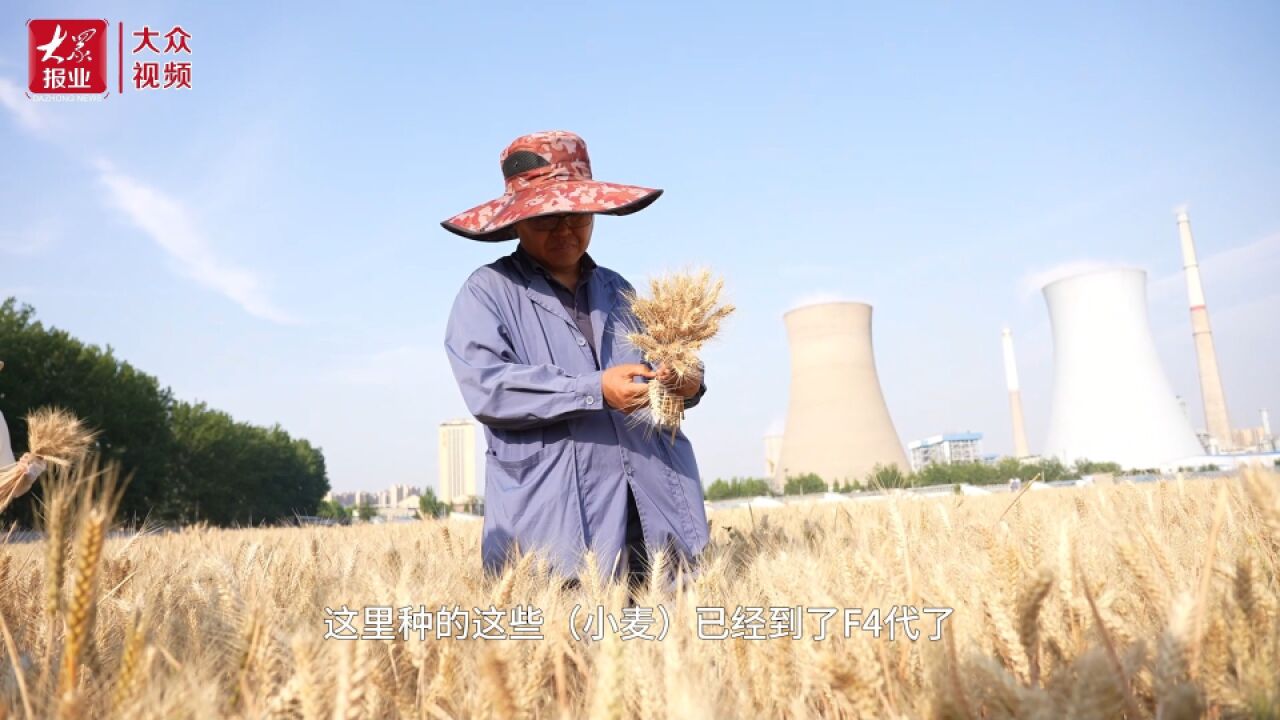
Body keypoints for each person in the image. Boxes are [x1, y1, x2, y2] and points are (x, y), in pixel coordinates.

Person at [441, 130, 711, 590]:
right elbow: (488, 387)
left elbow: (668, 360)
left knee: (664, 650)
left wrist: (687, 381)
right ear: (517, 223)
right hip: (554, 528)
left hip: (653, 514)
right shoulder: (487, 293)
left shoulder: (620, 291)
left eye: (577, 215)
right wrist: (594, 389)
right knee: (567, 657)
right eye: (548, 218)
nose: (566, 229)